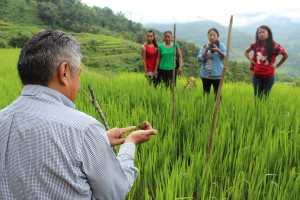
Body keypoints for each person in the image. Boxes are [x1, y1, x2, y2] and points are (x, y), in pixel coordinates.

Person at [0, 29, 158, 200]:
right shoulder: (83, 128)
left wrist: (99, 141)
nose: (79, 81)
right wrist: (130, 143)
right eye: (79, 74)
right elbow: (115, 191)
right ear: (65, 72)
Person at [244, 25, 288, 98]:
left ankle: (263, 109)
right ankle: (257, 109)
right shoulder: (256, 44)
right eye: (259, 33)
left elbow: (285, 55)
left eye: (263, 32)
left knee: (265, 97)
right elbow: (246, 52)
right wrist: (251, 60)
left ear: (268, 33)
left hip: (269, 76)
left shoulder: (275, 46)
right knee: (257, 97)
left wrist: (277, 66)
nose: (261, 34)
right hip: (257, 75)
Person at [197, 28, 226, 96]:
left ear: (217, 36)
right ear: (208, 36)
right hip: (205, 75)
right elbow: (198, 58)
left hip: (217, 75)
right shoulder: (205, 46)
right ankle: (206, 106)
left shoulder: (221, 45)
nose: (212, 37)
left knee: (218, 95)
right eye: (210, 35)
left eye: (214, 35)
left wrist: (218, 50)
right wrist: (206, 51)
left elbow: (226, 57)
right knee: (206, 94)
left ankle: (218, 107)